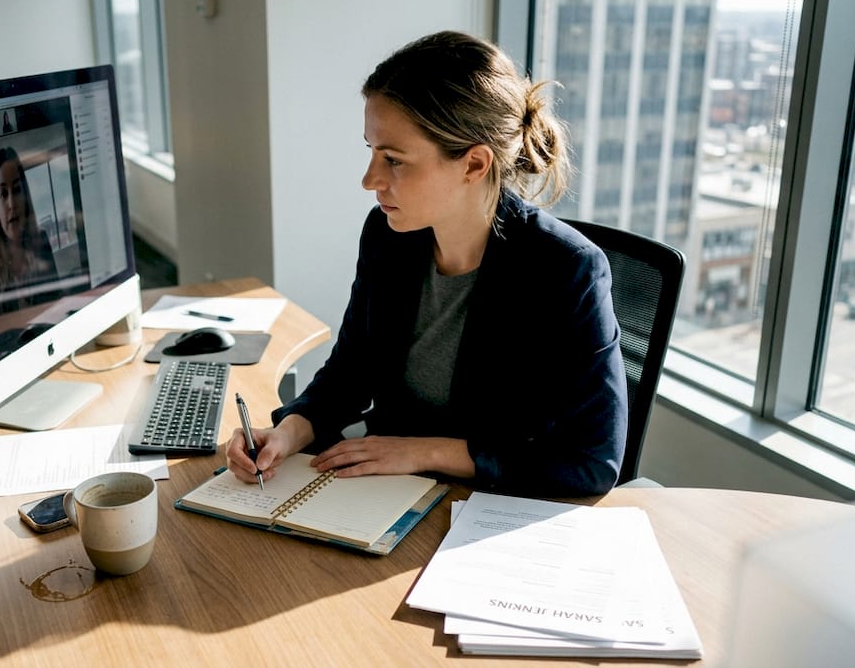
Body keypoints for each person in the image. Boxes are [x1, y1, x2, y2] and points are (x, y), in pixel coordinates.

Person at [226, 30, 628, 497]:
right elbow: (351, 371)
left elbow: (593, 460)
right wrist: (287, 432)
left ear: (474, 165)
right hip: (386, 491)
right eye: (372, 151)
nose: (369, 180)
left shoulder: (565, 270)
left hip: (485, 505)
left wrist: (426, 451)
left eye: (394, 160)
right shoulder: (389, 235)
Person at [0, 146, 59, 323]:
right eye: (3, 194)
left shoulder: (41, 244)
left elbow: (56, 308)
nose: (12, 203)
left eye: (17, 190)